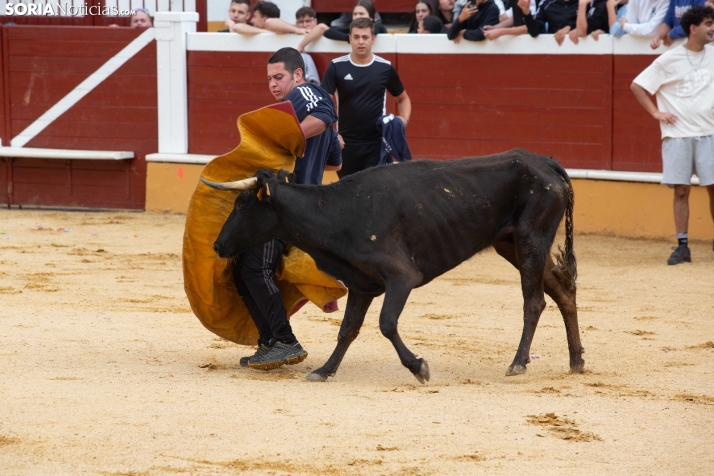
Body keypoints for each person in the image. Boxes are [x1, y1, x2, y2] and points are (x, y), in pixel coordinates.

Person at [237, 47, 342, 370]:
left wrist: (285, 139)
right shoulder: (288, 109)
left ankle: (283, 340)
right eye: (269, 78)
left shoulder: (306, 93)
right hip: (292, 206)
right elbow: (335, 161)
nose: (273, 84)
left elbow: (324, 115)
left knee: (254, 268)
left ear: (297, 74)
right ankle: (270, 341)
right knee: (246, 270)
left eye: (279, 76)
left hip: (284, 208)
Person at [630, 6, 714, 265]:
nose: (712, 29)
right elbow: (638, 85)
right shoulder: (670, 58)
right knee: (681, 190)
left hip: (709, 132)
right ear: (693, 28)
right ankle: (682, 245)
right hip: (677, 134)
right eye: (709, 24)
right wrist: (656, 113)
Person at [321, 17, 412, 177]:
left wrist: (404, 120)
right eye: (356, 37)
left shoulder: (385, 67)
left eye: (365, 37)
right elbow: (324, 104)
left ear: (372, 39)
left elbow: (403, 98)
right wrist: (331, 132)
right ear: (350, 39)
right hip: (345, 143)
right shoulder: (337, 66)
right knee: (347, 194)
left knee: (375, 192)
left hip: (377, 144)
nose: (360, 42)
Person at [298, 0, 387, 52]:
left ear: (371, 16)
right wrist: (348, 38)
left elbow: (372, 32)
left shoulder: (378, 27)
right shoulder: (351, 28)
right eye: (355, 14)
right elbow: (328, 32)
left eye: (361, 13)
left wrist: (351, 37)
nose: (357, 17)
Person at [294, 7, 322, 83]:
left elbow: (322, 27)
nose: (305, 25)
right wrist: (296, 30)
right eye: (301, 22)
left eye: (308, 21)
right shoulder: (294, 31)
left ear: (315, 21)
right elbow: (270, 22)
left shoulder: (320, 29)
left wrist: (301, 46)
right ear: (296, 23)